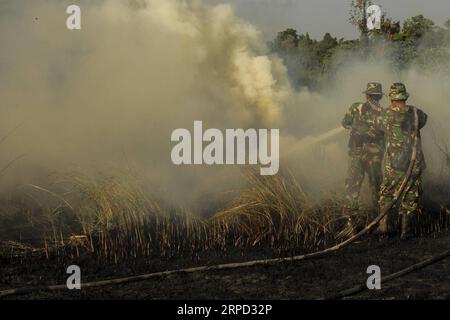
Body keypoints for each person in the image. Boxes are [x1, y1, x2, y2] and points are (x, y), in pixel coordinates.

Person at [376, 83, 428, 239]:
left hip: (393, 164)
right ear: (405, 96)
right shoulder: (417, 113)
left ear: (392, 98)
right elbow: (425, 121)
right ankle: (406, 231)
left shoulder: (385, 115)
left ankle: (384, 226)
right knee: (411, 195)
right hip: (414, 163)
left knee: (387, 193)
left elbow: (379, 128)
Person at [342, 82, 385, 231]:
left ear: (367, 95)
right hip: (374, 156)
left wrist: (356, 126)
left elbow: (345, 123)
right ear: (379, 96)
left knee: (352, 187)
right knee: (377, 187)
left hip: (356, 153)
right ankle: (378, 222)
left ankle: (351, 224)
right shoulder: (384, 113)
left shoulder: (355, 107)